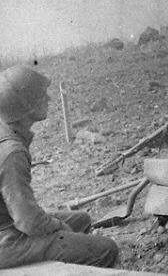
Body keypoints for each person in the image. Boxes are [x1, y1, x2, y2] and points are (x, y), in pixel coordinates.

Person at [0, 65, 119, 270]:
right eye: (40, 95)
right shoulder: (13, 152)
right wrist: (57, 227)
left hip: (7, 224)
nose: (48, 98)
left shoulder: (5, 129)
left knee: (81, 220)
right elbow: (27, 221)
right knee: (106, 249)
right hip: (7, 242)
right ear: (25, 105)